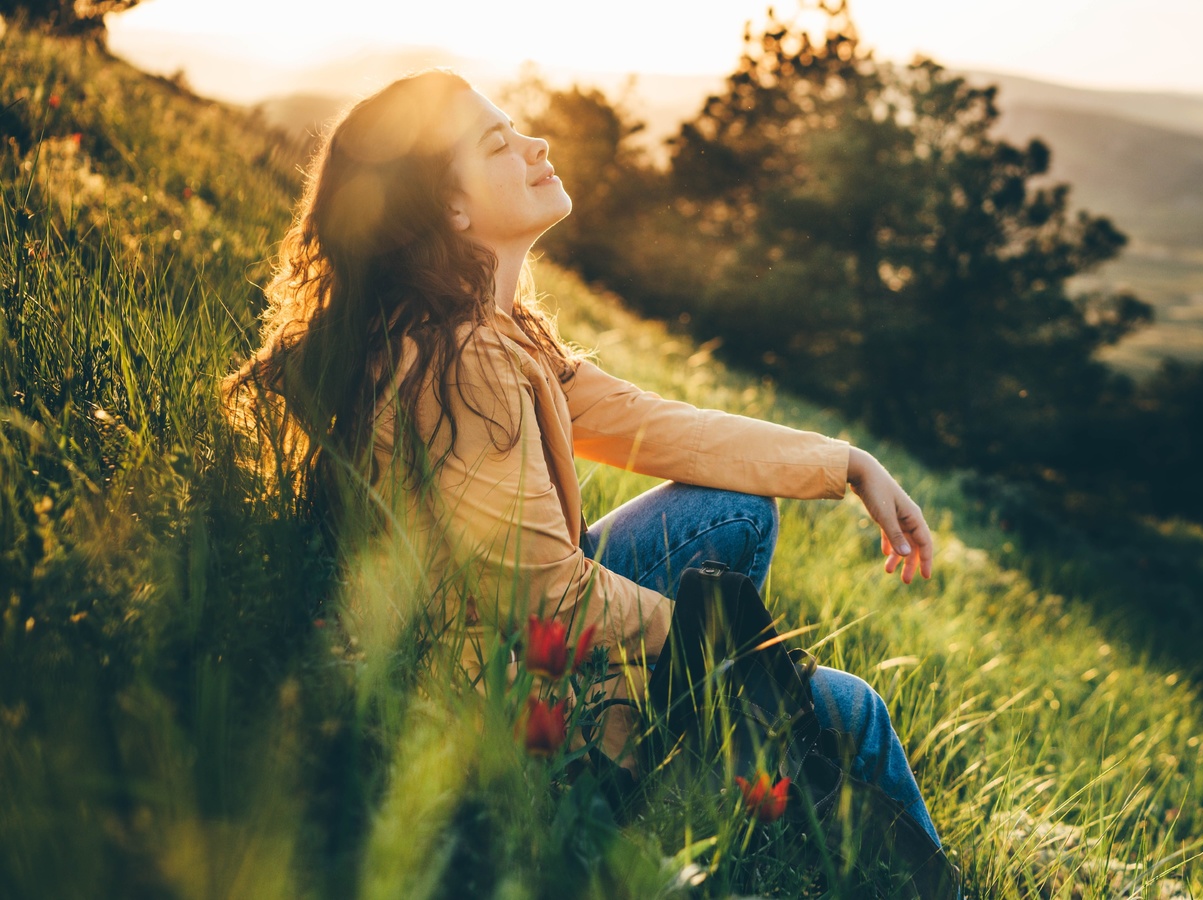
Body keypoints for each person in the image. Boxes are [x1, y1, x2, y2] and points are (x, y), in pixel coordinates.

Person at [224, 70, 942, 848]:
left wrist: (846, 464)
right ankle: (666, 777)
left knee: (733, 511)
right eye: (498, 144)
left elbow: (655, 423)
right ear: (451, 209)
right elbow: (541, 597)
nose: (536, 145)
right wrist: (732, 658)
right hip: (503, 700)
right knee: (855, 711)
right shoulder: (460, 359)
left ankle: (701, 746)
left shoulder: (489, 327)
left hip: (495, 635)